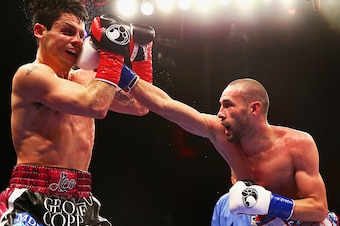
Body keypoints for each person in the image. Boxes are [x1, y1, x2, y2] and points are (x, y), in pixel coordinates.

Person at [0, 0, 155, 225]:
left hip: (82, 198)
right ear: (40, 31)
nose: (76, 41)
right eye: (67, 31)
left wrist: (141, 53)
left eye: (81, 35)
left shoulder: (86, 79)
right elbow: (96, 105)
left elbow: (140, 105)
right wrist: (113, 52)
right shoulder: (30, 75)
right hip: (33, 199)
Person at [119, 73, 339, 224]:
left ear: (254, 109)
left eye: (228, 104)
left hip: (296, 220)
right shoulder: (219, 131)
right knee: (229, 203)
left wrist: (268, 204)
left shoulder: (297, 144)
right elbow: (165, 105)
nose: (219, 113)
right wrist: (119, 69)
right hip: (247, 216)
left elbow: (318, 208)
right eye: (220, 105)